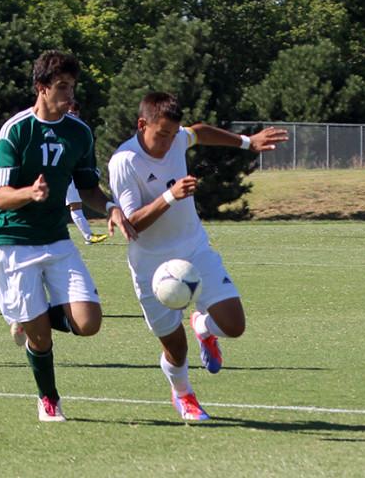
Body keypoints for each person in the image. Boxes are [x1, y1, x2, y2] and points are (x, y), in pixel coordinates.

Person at [108, 92, 287, 421]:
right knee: (176, 350)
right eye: (161, 134)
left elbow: (199, 131)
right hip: (151, 266)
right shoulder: (124, 161)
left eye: (172, 135)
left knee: (234, 325)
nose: (168, 142)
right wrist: (169, 196)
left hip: (193, 249)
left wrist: (248, 142)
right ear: (141, 124)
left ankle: (203, 326)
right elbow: (131, 224)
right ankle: (184, 394)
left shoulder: (177, 138)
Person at [0, 49, 136, 422]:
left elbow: (88, 189)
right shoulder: (16, 130)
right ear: (41, 87)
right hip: (14, 244)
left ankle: (29, 318)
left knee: (89, 323)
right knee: (41, 339)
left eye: (73, 87)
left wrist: (112, 208)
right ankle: (48, 398)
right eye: (62, 87)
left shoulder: (79, 133)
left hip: (56, 241)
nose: (70, 95)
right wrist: (29, 194)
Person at [64, 101, 108, 245]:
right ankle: (88, 236)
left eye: (76, 112)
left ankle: (88, 236)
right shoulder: (62, 130)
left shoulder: (82, 130)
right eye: (70, 112)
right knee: (74, 205)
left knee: (75, 204)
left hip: (74, 174)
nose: (73, 114)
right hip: (65, 174)